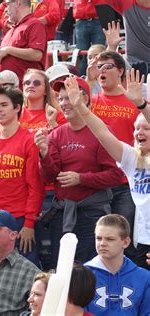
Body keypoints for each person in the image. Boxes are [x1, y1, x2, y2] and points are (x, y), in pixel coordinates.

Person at [61, 73, 150, 268]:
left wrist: (141, 105)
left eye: (146, 128)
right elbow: (101, 132)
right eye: (136, 128)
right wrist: (81, 108)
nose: (139, 133)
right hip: (143, 240)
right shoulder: (131, 158)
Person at [35, 77, 123, 267]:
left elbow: (116, 176)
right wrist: (43, 154)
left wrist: (81, 179)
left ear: (84, 99)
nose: (64, 104)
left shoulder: (101, 131)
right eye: (61, 98)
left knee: (89, 269)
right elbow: (49, 176)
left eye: (69, 98)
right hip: (63, 213)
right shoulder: (57, 133)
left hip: (92, 214)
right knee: (62, 270)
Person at [0, 87, 45, 265]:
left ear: (17, 108)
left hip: (20, 220)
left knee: (25, 273)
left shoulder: (29, 140)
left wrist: (29, 223)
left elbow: (35, 185)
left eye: (4, 105)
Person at [89, 51, 140, 246]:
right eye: (98, 66)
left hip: (126, 182)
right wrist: (89, 80)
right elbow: (73, 106)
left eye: (107, 66)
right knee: (98, 242)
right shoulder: (89, 103)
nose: (101, 70)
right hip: (96, 179)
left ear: (120, 71)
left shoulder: (134, 102)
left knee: (121, 239)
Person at [84, 214, 150, 315]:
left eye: (109, 239)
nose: (102, 243)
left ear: (126, 242)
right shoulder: (82, 276)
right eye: (98, 238)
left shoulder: (144, 278)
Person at [0, 0, 47, 82]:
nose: (5, 9)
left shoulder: (34, 25)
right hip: (7, 89)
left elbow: (37, 55)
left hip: (24, 89)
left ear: (18, 3)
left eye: (7, 4)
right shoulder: (12, 29)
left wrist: (8, 50)